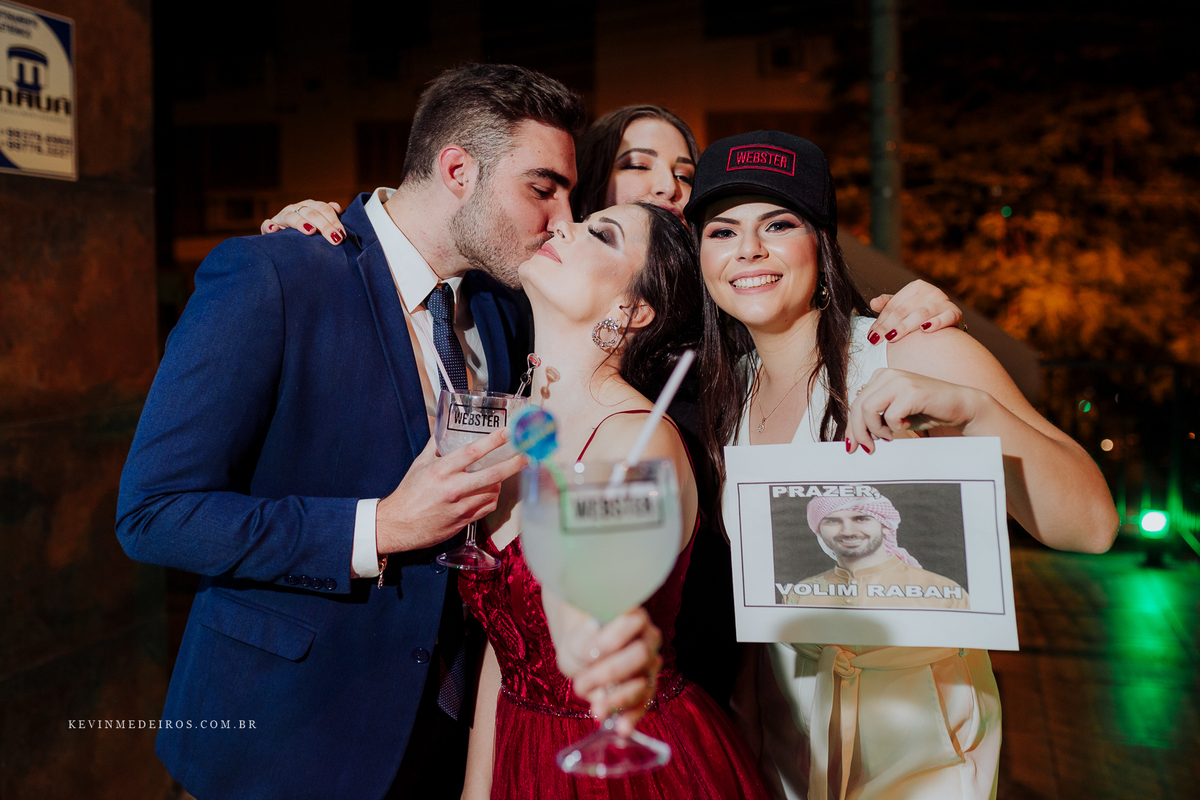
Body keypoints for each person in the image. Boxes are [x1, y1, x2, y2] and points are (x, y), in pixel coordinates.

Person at [262, 104, 966, 712]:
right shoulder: (513, 318)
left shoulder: (715, 344)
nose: (668, 184)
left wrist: (913, 309)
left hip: (701, 663)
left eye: (687, 174)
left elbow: (806, 290)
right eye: (639, 164)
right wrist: (338, 227)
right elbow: (420, 252)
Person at [115, 63, 660, 800]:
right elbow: (154, 514)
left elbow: (645, 285)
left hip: (440, 741)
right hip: (279, 742)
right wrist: (377, 529)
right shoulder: (277, 276)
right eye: (543, 188)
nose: (561, 218)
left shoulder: (503, 311)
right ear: (458, 169)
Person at [683, 130, 1119, 800]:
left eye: (779, 223)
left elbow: (1090, 527)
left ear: (821, 243)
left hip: (919, 752)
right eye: (722, 231)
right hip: (780, 749)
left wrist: (975, 413)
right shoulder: (724, 394)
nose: (749, 250)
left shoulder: (909, 352)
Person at [457, 201, 770, 800]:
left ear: (633, 310)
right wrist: (478, 787)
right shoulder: (513, 421)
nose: (561, 225)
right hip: (519, 751)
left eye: (601, 233)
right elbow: (508, 647)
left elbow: (593, 619)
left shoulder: (641, 439)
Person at [782, 489, 970, 610]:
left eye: (861, 519)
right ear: (818, 531)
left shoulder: (943, 591)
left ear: (886, 525)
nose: (847, 531)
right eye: (832, 520)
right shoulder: (801, 594)